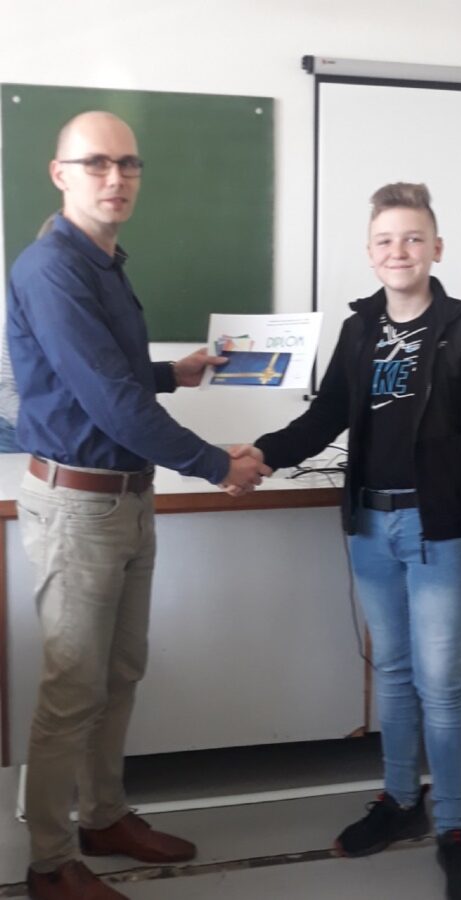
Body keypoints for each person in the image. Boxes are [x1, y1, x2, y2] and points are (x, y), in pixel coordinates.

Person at [6, 111, 270, 900]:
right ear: (60, 174)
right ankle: (50, 863)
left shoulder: (105, 262)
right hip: (78, 509)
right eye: (96, 163)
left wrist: (171, 374)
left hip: (124, 499)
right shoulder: (51, 268)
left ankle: (103, 817)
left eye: (127, 164)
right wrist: (217, 464)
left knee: (118, 675)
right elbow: (109, 402)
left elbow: (101, 375)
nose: (115, 177)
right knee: (71, 691)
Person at [232, 183, 461, 900]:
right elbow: (325, 414)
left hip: (441, 528)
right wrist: (262, 454)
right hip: (370, 523)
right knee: (390, 671)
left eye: (413, 238)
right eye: (386, 240)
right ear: (369, 253)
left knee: (440, 683)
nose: (399, 251)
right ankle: (399, 800)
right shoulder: (359, 330)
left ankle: (454, 828)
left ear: (436, 248)